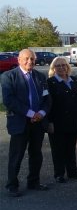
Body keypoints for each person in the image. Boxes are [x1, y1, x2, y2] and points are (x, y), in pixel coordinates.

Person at [1, 49, 51, 197]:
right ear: (19, 60)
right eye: (26, 59)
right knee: (16, 155)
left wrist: (41, 113)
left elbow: (47, 99)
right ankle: (12, 185)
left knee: (36, 153)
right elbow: (9, 100)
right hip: (20, 121)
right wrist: (30, 113)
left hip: (38, 122)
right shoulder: (8, 76)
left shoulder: (40, 77)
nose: (30, 61)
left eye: (32, 59)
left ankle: (34, 181)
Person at [47, 57, 77, 183]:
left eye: (64, 65)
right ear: (53, 68)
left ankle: (72, 172)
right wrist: (49, 122)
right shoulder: (50, 83)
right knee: (58, 149)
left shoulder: (74, 80)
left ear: (68, 67)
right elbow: (48, 104)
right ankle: (59, 174)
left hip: (73, 120)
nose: (61, 67)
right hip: (57, 121)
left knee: (70, 148)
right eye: (58, 66)